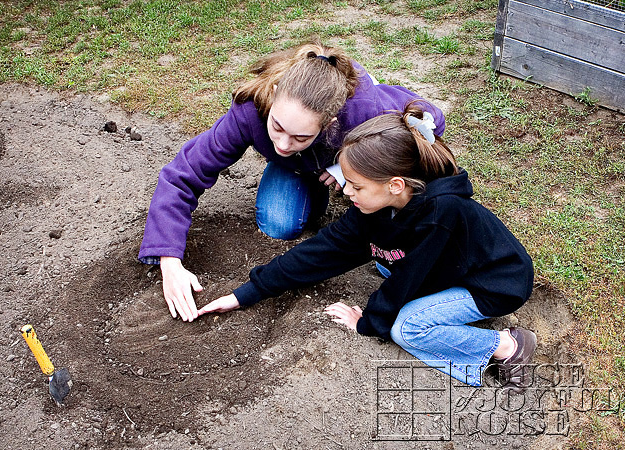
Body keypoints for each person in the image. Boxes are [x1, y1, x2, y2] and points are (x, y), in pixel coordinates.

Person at [198, 102, 536, 391]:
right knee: (384, 262)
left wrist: (369, 321)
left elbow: (407, 278)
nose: (346, 192)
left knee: (406, 328)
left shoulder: (441, 213)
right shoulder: (374, 206)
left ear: (395, 185)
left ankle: (507, 347)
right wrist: (248, 292)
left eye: (356, 186)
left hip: (492, 283)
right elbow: (323, 250)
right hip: (447, 265)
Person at [139, 40, 446, 323]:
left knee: (374, 220)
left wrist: (344, 165)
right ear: (271, 98)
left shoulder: (365, 112)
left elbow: (428, 122)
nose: (283, 144)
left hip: (344, 154)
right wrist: (169, 259)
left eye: (300, 135)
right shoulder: (249, 109)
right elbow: (183, 173)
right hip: (299, 167)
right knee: (278, 223)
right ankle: (313, 183)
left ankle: (338, 171)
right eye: (277, 127)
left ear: (330, 123)